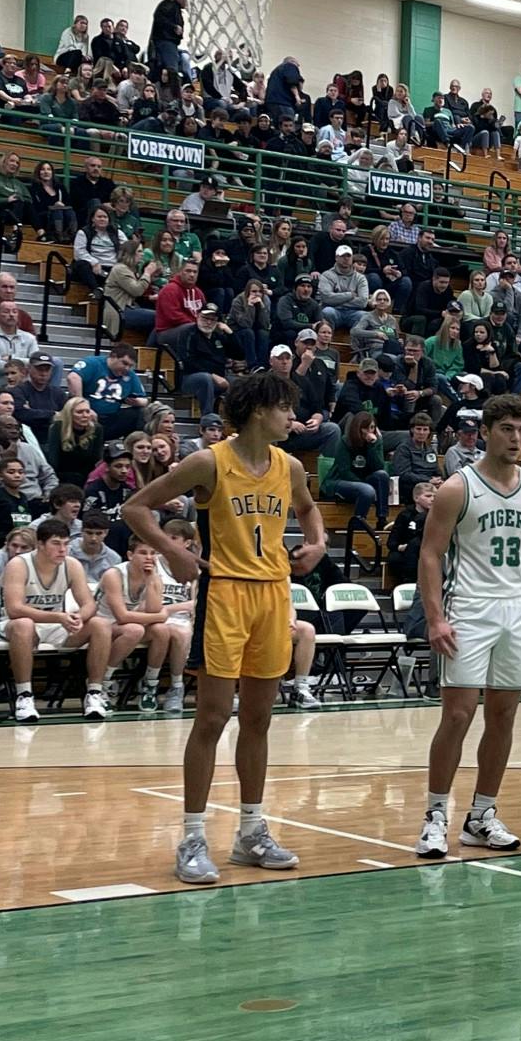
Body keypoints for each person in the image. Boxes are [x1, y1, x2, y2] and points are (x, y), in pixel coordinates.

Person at [123, 371, 327, 885]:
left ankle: (251, 831)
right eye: (284, 408)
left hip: (273, 594)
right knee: (212, 719)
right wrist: (173, 550)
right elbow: (135, 507)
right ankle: (192, 836)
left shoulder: (290, 466)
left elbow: (308, 511)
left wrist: (317, 544)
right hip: (225, 595)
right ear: (260, 411)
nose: (291, 418)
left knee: (258, 720)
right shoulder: (209, 461)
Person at [415, 396, 521, 859]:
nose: (517, 438)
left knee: (503, 716)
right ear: (487, 431)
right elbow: (430, 554)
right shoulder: (459, 488)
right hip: (469, 608)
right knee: (458, 715)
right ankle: (436, 815)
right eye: (507, 429)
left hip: (517, 610)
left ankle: (481, 815)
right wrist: (436, 616)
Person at [1, 517, 124, 721]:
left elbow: (89, 604)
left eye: (66, 544)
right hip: (16, 625)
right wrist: (58, 617)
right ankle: (24, 695)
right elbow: (14, 609)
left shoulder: (71, 565)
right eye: (56, 543)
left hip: (56, 623)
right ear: (40, 544)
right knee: (23, 624)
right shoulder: (19, 564)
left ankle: (94, 693)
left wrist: (78, 617)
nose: (63, 549)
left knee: (100, 624)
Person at [98, 535, 192, 714]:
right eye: (143, 553)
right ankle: (104, 682)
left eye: (153, 553)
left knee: (161, 630)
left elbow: (154, 610)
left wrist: (151, 581)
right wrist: (159, 616)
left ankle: (150, 684)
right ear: (130, 555)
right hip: (103, 624)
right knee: (134, 630)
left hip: (131, 624)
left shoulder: (154, 575)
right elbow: (122, 616)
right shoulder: (114, 574)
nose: (149, 557)